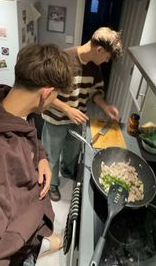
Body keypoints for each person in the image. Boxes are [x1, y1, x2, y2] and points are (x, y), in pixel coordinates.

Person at [0, 43, 73, 265]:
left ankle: (39, 243)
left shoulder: (11, 108)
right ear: (46, 93)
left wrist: (42, 157)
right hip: (16, 252)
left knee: (39, 238)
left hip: (26, 221)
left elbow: (27, 133)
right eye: (55, 96)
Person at [42, 27, 123, 201]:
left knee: (72, 151)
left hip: (78, 118)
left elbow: (95, 91)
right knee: (52, 154)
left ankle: (67, 171)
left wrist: (105, 105)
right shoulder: (62, 59)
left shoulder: (95, 67)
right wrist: (67, 109)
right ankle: (52, 183)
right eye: (107, 57)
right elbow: (45, 94)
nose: (106, 61)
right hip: (56, 118)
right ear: (99, 49)